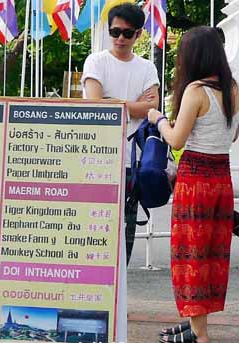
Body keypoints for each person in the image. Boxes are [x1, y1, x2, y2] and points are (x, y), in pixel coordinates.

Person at [148, 26, 239, 343]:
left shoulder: (195, 91)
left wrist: (157, 118)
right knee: (211, 254)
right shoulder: (234, 89)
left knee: (190, 255)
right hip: (221, 181)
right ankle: (194, 322)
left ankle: (199, 332)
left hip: (196, 181)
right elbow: (233, 135)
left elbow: (176, 139)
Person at [81, 3, 160, 266]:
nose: (120, 39)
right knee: (90, 233)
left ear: (139, 34)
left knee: (125, 235)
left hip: (131, 162)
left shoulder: (147, 67)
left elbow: (152, 107)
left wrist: (113, 102)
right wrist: (133, 105)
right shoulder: (96, 61)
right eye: (115, 32)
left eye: (127, 33)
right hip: (94, 160)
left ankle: (119, 302)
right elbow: (95, 106)